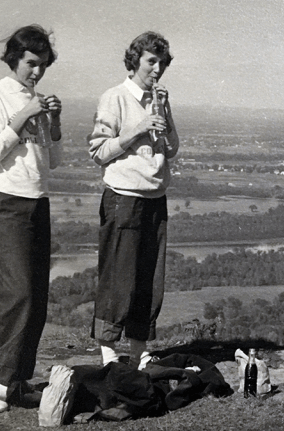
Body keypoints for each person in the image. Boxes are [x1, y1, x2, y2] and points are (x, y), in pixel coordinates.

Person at [0, 24, 63, 412]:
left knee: (36, 297)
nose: (37, 73)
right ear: (15, 58)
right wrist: (24, 115)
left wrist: (52, 124)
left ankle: (8, 382)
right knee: (15, 292)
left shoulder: (33, 98)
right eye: (32, 64)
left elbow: (52, 160)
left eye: (43, 66)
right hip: (6, 202)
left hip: (37, 200)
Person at [87, 31, 179, 369]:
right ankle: (109, 353)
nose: (157, 69)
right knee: (118, 276)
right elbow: (98, 151)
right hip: (123, 197)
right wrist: (138, 128)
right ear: (135, 61)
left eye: (162, 63)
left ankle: (139, 352)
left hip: (155, 196)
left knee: (149, 277)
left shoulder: (159, 99)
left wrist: (165, 116)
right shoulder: (115, 97)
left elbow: (171, 149)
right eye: (151, 61)